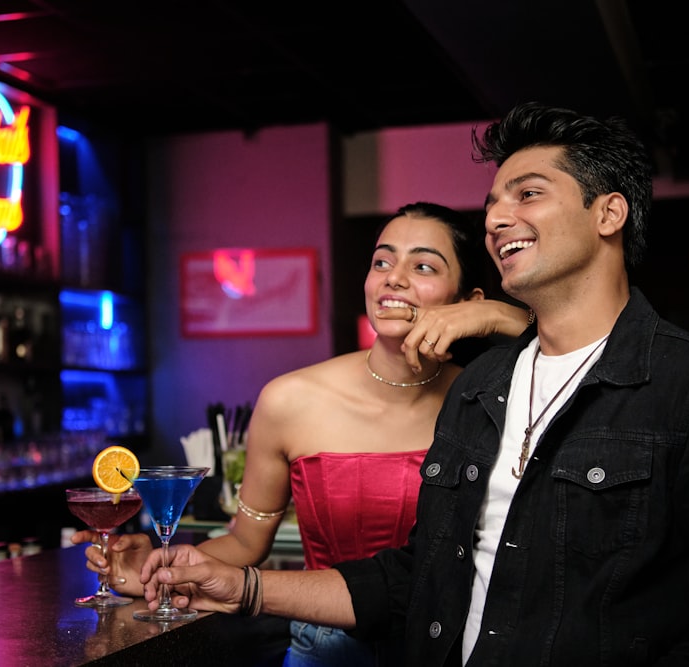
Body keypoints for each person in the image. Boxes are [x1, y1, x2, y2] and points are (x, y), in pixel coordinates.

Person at [136, 102, 689, 666]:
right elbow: (420, 576)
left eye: (528, 193)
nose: (497, 217)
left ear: (609, 213)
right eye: (492, 203)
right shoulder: (482, 390)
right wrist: (241, 585)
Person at [72, 201, 532, 666]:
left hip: (446, 648)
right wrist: (159, 566)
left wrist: (499, 315)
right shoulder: (289, 400)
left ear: (468, 301)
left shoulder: (492, 398)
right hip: (324, 650)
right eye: (382, 261)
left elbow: (589, 351)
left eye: (423, 265)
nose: (393, 277)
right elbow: (247, 543)